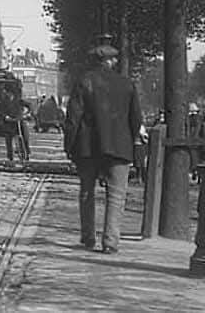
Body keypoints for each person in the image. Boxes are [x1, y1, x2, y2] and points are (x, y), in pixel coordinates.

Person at [64, 41, 142, 254]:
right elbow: (136, 118)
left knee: (87, 192)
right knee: (117, 195)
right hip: (119, 147)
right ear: (109, 60)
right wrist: (133, 139)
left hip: (88, 147)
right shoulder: (127, 84)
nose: (116, 61)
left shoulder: (84, 81)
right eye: (114, 58)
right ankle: (110, 241)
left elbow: (73, 118)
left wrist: (69, 147)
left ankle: (88, 236)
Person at [4, 90, 31, 162]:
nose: (7, 94)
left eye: (8, 93)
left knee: (23, 137)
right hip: (8, 123)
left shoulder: (18, 101)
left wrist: (26, 113)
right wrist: (5, 117)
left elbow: (29, 105)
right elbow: (1, 111)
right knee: (8, 140)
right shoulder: (4, 101)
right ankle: (10, 157)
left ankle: (25, 154)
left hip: (18, 122)